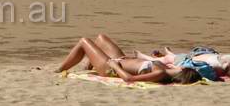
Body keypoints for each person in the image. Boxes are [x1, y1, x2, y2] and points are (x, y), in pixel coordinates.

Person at [56, 34, 201, 84]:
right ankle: (89, 66)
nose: (181, 64)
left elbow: (129, 79)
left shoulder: (160, 74)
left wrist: (115, 65)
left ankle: (60, 69)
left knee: (84, 41)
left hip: (111, 69)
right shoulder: (165, 69)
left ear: (182, 71)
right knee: (101, 38)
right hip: (121, 59)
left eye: (184, 66)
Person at [137, 46, 230, 79]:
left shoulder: (227, 61)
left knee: (168, 59)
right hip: (193, 57)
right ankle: (167, 53)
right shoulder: (220, 66)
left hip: (193, 56)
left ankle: (147, 57)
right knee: (172, 58)